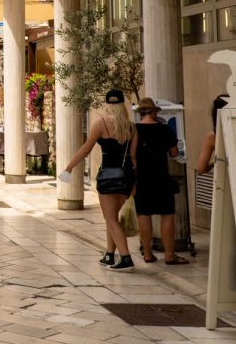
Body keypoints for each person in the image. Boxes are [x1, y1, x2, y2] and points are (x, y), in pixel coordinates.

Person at [61, 90, 138, 272]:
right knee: (112, 217)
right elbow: (133, 157)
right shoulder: (132, 127)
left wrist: (69, 167)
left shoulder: (101, 123)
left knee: (110, 219)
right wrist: (135, 182)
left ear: (108, 104)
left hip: (108, 177)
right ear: (122, 105)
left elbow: (86, 149)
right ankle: (109, 254)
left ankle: (126, 258)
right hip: (126, 177)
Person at [134, 97, 188, 265]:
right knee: (167, 214)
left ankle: (147, 254)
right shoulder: (164, 129)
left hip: (141, 179)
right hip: (161, 177)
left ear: (140, 113)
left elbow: (131, 155)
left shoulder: (134, 130)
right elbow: (174, 153)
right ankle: (169, 255)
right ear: (154, 112)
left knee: (144, 214)